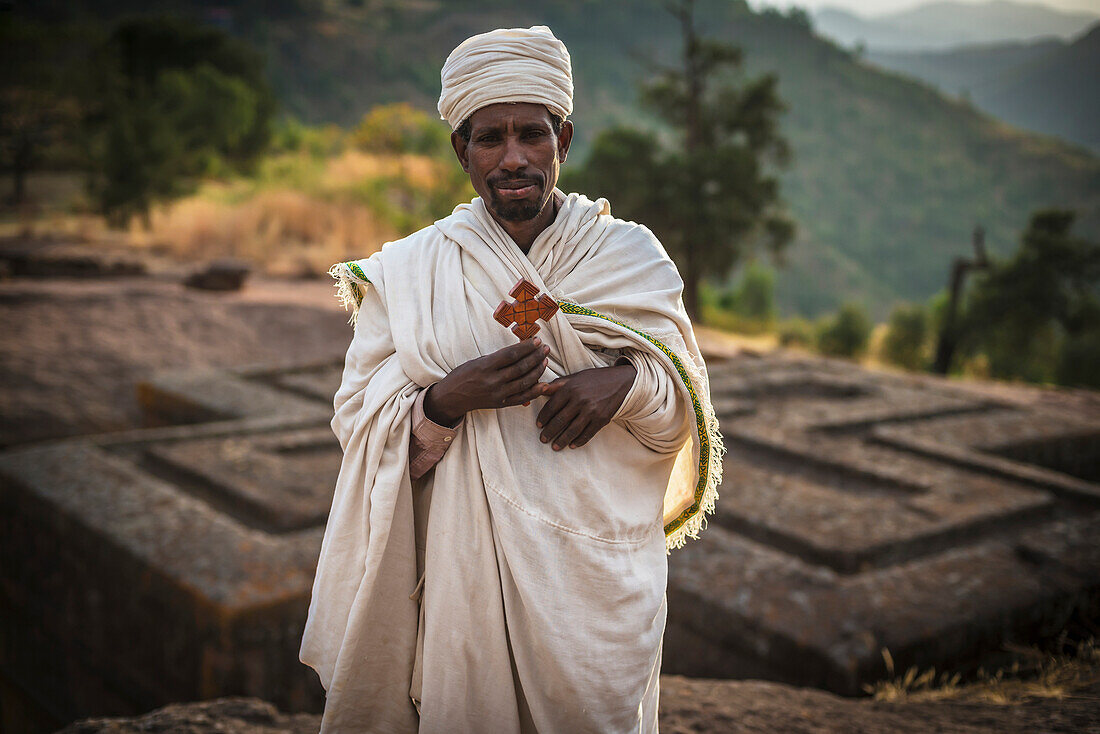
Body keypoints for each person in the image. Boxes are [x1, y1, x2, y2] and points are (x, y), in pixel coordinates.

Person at [299, 25, 724, 734]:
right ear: (460, 148)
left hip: (597, 585)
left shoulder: (630, 258)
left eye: (532, 134)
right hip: (465, 579)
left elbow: (685, 411)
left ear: (565, 137)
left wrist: (623, 386)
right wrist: (445, 400)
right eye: (489, 138)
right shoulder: (411, 272)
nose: (514, 158)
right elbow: (358, 425)